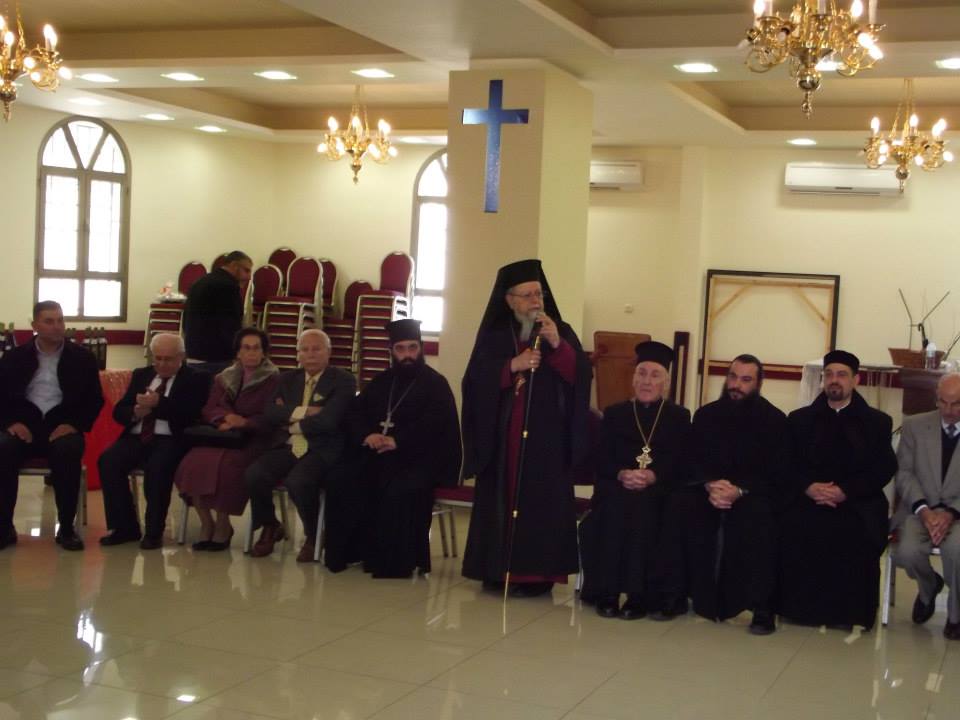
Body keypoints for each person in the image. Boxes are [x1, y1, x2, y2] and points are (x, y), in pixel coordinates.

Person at [461, 259, 592, 598]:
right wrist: (510, 366)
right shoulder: (494, 335)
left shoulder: (559, 330)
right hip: (504, 441)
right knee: (501, 503)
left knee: (542, 507)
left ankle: (538, 575)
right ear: (509, 300)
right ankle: (496, 569)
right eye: (527, 295)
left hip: (548, 442)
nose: (536, 301)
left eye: (539, 294)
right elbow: (474, 381)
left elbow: (581, 375)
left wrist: (557, 345)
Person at [658, 354, 788, 634]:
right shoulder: (706, 415)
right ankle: (674, 594)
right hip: (709, 489)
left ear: (758, 384)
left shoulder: (775, 420)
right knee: (679, 504)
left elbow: (776, 471)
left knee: (761, 517)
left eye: (745, 380)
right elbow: (690, 459)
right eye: (732, 377)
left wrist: (739, 490)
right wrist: (708, 484)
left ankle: (761, 607)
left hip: (750, 493)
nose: (736, 385)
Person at [779, 350, 897, 630]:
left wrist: (846, 491)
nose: (834, 380)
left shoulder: (877, 422)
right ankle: (799, 611)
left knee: (855, 533)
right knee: (794, 525)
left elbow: (883, 468)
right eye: (829, 374)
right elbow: (785, 462)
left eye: (842, 375)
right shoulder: (799, 420)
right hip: (808, 498)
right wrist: (808, 487)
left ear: (855, 380)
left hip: (856, 501)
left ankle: (849, 614)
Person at [335, 318, 461, 577]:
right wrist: (368, 435)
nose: (407, 355)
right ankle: (356, 552)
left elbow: (437, 425)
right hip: (379, 455)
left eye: (412, 348)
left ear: (421, 348)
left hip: (421, 459)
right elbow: (354, 413)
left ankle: (397, 561)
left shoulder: (436, 384)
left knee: (398, 489)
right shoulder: (382, 381)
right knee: (345, 478)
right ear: (391, 351)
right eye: (400, 349)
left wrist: (398, 440)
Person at [580, 341, 691, 619]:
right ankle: (607, 592)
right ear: (633, 379)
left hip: (658, 489)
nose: (646, 381)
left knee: (644, 509)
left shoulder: (678, 417)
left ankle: (638, 595)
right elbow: (602, 458)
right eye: (641, 373)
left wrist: (653, 475)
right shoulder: (615, 413)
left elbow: (681, 461)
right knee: (615, 507)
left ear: (666, 383)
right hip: (618, 486)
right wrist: (622, 473)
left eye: (654, 375)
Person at [244, 329, 356, 562]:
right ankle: (270, 524)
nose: (310, 354)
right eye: (305, 349)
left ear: (329, 352)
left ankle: (313, 534)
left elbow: (329, 420)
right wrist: (306, 411)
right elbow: (270, 413)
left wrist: (291, 423)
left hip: (321, 448)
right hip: (287, 446)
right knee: (255, 474)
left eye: (316, 349)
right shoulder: (286, 379)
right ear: (298, 354)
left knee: (299, 481)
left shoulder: (343, 380)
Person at [0, 301, 103, 551]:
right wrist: (11, 423)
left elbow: (94, 400)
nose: (57, 326)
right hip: (24, 426)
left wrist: (74, 425)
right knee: (3, 447)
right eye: (49, 321)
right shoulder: (14, 357)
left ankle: (66, 528)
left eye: (60, 320)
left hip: (62, 426)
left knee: (68, 450)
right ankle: (4, 527)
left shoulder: (82, 358)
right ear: (34, 325)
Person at [99, 333, 211, 550]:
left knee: (158, 467)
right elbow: (119, 411)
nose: (162, 364)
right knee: (108, 461)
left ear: (181, 357)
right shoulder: (141, 375)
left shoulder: (196, 378)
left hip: (171, 438)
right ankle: (124, 527)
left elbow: (191, 414)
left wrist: (159, 403)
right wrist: (135, 412)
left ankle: (154, 531)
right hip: (137, 435)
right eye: (157, 358)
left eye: (168, 359)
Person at [174, 327, 280, 551]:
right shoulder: (224, 377)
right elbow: (210, 407)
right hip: (222, 435)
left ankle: (223, 525)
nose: (251, 353)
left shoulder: (274, 380)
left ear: (264, 352)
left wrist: (245, 422)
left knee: (227, 467)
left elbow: (273, 416)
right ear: (238, 352)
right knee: (192, 463)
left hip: (254, 439)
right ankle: (206, 522)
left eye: (256, 348)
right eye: (246, 348)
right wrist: (224, 418)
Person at [893, 372, 960, 640]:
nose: (948, 410)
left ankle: (955, 615)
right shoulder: (915, 426)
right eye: (943, 402)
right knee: (906, 552)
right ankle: (929, 587)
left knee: (957, 551)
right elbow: (904, 473)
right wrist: (923, 509)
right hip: (919, 510)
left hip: (958, 513)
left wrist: (951, 513)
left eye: (956, 404)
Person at [183, 250, 253, 374]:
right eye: (246, 270)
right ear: (234, 266)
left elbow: (186, 318)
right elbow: (232, 324)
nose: (248, 277)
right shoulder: (229, 286)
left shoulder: (199, 282)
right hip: (216, 357)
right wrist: (237, 352)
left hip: (193, 352)